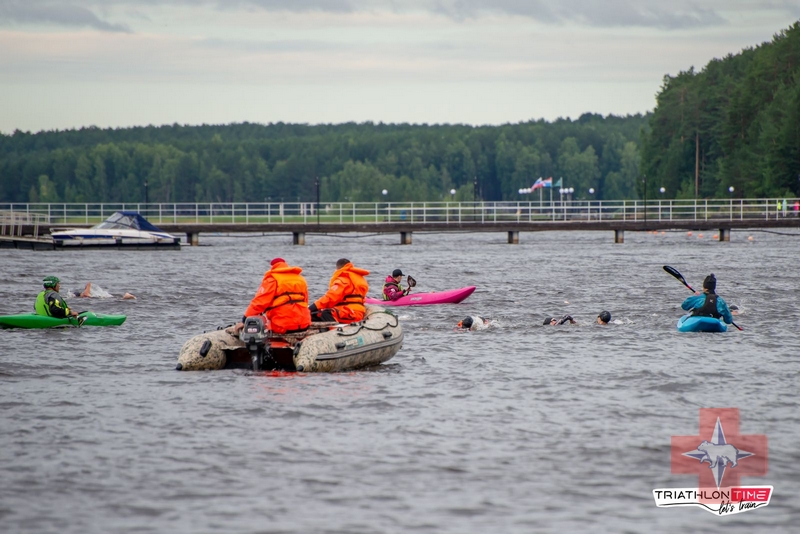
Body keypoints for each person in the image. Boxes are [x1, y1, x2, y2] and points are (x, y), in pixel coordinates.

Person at [233, 257, 311, 335]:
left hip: (282, 326)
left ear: (273, 267)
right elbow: (306, 301)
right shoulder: (301, 279)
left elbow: (259, 302)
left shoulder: (272, 279)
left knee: (261, 320)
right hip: (304, 324)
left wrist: (244, 320)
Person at [308, 258, 370, 323]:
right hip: (354, 311)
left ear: (337, 268)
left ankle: (335, 331)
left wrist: (311, 308)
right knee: (315, 314)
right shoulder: (357, 278)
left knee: (326, 313)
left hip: (351, 313)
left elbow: (330, 298)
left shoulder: (343, 279)